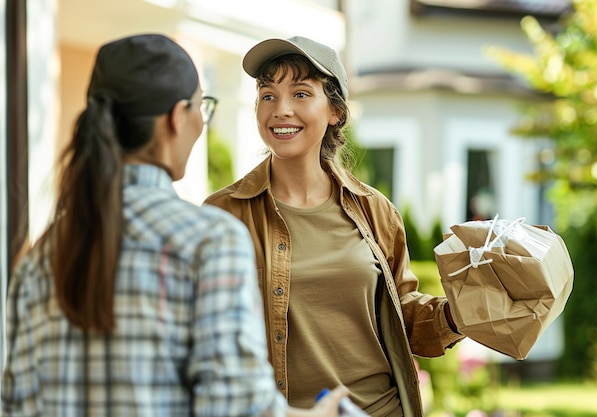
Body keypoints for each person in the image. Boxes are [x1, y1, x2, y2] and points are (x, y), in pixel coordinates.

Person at [1, 33, 348, 417]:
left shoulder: (38, 260)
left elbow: (16, 406)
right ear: (177, 117)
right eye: (203, 107)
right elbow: (235, 408)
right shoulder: (210, 240)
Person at [204, 36, 466, 417]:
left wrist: (460, 313)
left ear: (335, 112)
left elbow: (403, 314)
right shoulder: (222, 215)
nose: (281, 110)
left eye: (301, 93)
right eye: (267, 95)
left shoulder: (376, 211)